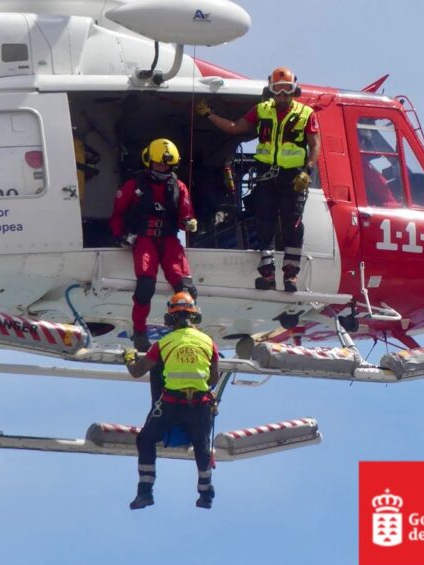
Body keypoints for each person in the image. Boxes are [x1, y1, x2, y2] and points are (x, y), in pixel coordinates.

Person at [196, 66, 320, 292]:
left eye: (286, 89)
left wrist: (307, 171)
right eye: (278, 89)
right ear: (271, 90)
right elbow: (235, 128)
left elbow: (314, 145)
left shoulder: (306, 114)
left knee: (293, 225)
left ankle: (291, 275)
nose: (282, 94)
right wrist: (209, 115)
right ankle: (267, 274)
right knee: (265, 224)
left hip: (293, 178)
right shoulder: (262, 110)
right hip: (266, 176)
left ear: (294, 90)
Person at [123, 292, 219, 510]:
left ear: (169, 319)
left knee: (146, 440)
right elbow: (213, 378)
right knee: (201, 445)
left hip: (171, 405)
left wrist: (129, 358)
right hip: (200, 405)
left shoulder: (164, 343)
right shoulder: (209, 343)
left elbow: (137, 372)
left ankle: (145, 492)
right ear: (195, 317)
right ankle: (206, 494)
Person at [109, 138, 199, 352]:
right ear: (149, 162)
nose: (162, 168)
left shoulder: (179, 187)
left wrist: (189, 223)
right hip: (144, 239)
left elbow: (185, 216)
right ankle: (139, 332)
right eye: (158, 163)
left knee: (186, 288)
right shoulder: (133, 186)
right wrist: (121, 236)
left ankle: (185, 329)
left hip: (169, 239)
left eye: (166, 165)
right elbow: (117, 215)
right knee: (145, 286)